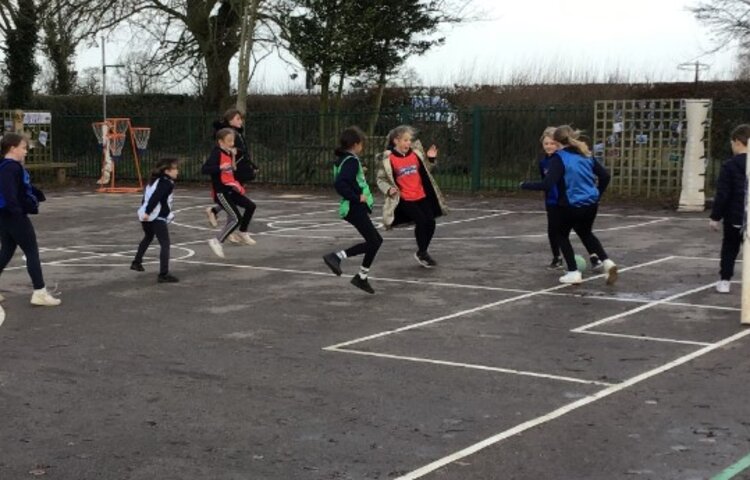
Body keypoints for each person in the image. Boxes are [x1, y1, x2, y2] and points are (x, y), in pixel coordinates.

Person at [521, 125, 617, 285]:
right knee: (586, 233)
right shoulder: (586, 154)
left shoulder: (560, 158)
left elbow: (547, 184)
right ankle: (607, 262)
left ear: (557, 141)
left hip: (570, 204)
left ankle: (573, 272)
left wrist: (524, 185)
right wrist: (597, 194)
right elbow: (605, 176)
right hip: (591, 204)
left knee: (561, 235)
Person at [0, 132, 61, 306]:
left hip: (5, 215)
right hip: (13, 215)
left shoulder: (5, 166)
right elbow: (9, 193)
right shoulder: (11, 167)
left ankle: (40, 292)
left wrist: (36, 194)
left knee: (6, 251)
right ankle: (39, 292)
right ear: (12, 148)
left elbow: (18, 188)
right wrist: (18, 211)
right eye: (23, 148)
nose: (26, 151)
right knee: (31, 251)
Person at [376, 125, 447, 268]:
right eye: (405, 140)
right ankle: (423, 253)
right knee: (421, 221)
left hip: (420, 195)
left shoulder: (416, 154)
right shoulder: (388, 159)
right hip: (405, 198)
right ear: (396, 141)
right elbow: (380, 179)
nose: (408, 143)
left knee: (431, 222)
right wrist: (389, 189)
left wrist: (431, 159)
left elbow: (428, 169)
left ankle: (422, 252)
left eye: (410, 140)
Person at [323, 126, 382, 294]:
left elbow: (347, 178)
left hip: (354, 208)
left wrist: (358, 174)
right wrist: (357, 197)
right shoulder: (351, 161)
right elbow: (340, 183)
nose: (362, 147)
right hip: (354, 207)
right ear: (356, 144)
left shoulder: (344, 160)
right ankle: (337, 257)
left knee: (376, 241)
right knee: (374, 241)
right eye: (361, 144)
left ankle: (362, 276)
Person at [538, 127, 602, 271]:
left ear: (559, 144)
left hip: (568, 201)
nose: (549, 146)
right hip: (552, 202)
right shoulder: (543, 162)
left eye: (552, 143)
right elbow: (546, 183)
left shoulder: (564, 159)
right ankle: (557, 258)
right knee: (553, 230)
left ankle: (594, 256)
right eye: (546, 143)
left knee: (579, 230)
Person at [202, 128, 257, 258]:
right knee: (236, 218)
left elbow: (241, 154)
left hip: (231, 190)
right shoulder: (216, 153)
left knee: (251, 206)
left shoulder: (228, 152)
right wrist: (219, 168)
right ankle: (216, 241)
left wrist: (234, 153)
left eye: (233, 140)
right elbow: (204, 169)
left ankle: (243, 233)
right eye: (229, 141)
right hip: (221, 192)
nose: (232, 143)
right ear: (220, 142)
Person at [709, 124, 750, 293]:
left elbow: (723, 194)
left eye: (732, 143)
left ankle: (725, 281)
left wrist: (715, 217)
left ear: (738, 142)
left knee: (730, 249)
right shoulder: (731, 165)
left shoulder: (729, 166)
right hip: (742, 214)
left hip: (735, 216)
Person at [205, 109, 259, 229]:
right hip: (235, 171)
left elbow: (243, 153)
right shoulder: (228, 134)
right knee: (234, 197)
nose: (241, 121)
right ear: (230, 121)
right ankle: (228, 226)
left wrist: (252, 166)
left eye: (241, 119)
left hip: (240, 170)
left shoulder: (237, 133)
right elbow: (234, 151)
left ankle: (216, 213)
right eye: (238, 119)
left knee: (235, 198)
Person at [131, 158, 180, 283]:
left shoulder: (153, 181)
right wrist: (148, 211)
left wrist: (144, 212)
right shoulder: (166, 183)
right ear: (167, 171)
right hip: (155, 216)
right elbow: (156, 197)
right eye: (175, 169)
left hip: (145, 215)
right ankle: (163, 274)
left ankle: (136, 262)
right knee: (165, 244)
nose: (177, 171)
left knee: (148, 237)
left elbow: (146, 198)